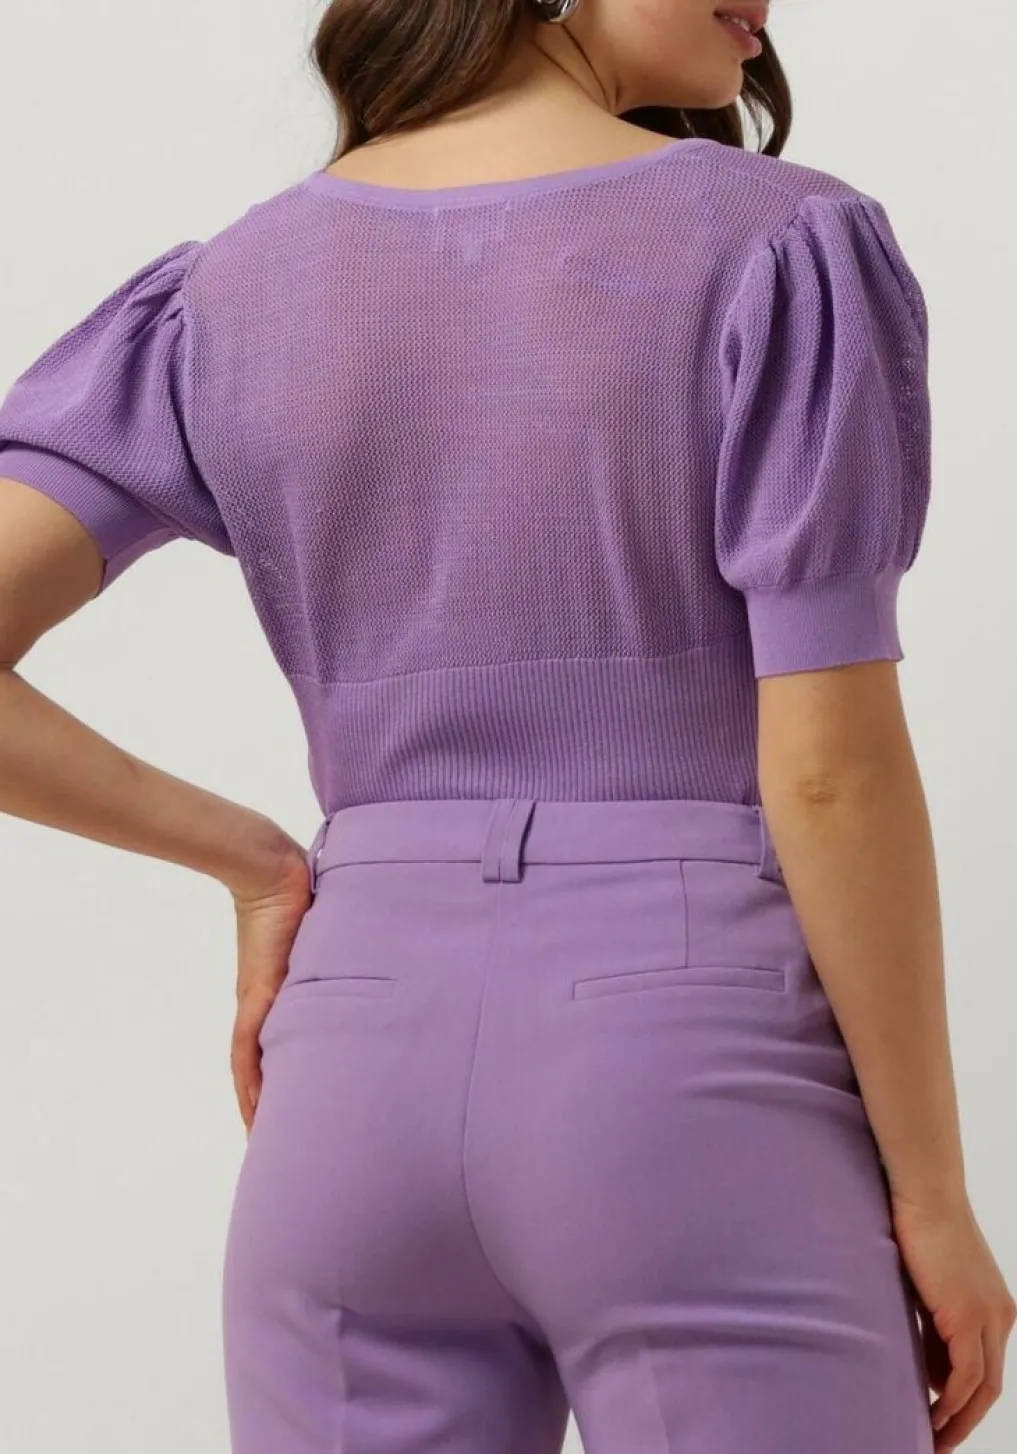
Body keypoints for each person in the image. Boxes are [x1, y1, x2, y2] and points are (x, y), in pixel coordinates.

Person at [0, 0, 1012, 1450]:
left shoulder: (230, 287)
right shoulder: (781, 246)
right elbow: (831, 774)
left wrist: (257, 864)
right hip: (686, 1067)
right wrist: (934, 1196)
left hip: (347, 1067)